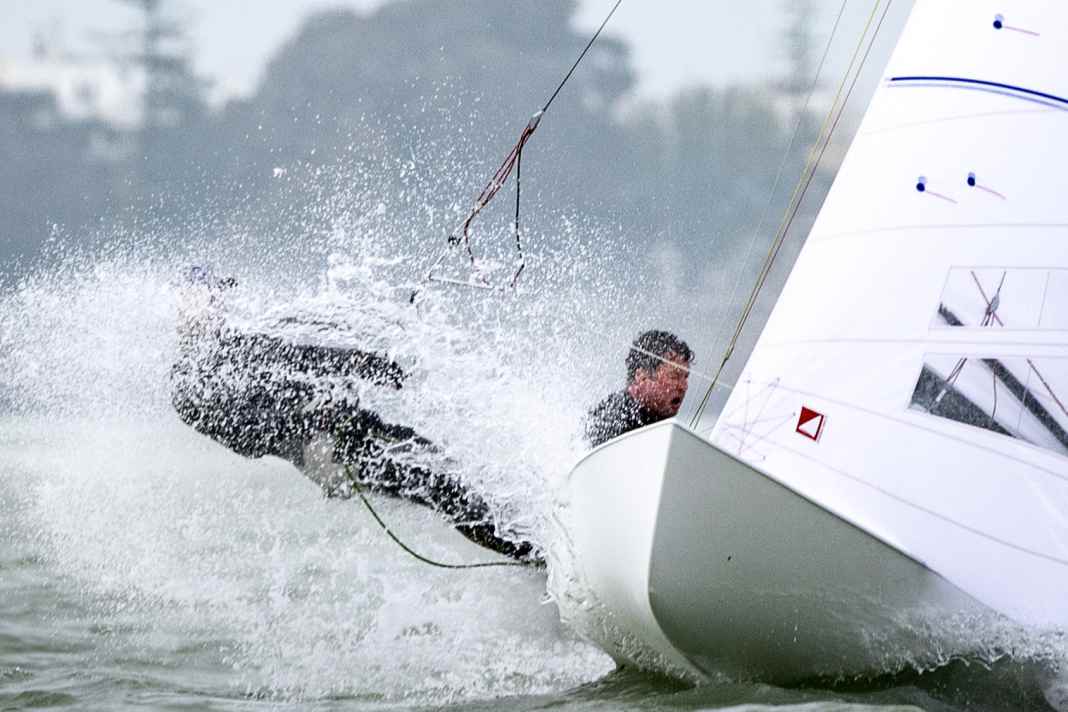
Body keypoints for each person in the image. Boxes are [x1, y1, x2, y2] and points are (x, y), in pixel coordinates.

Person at [170, 267, 538, 563]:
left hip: (350, 425)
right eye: (206, 298)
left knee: (447, 462)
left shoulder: (240, 341)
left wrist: (369, 366)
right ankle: (531, 556)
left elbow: (305, 357)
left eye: (217, 296)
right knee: (439, 487)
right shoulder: (189, 381)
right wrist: (304, 417)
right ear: (185, 307)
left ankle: (528, 526)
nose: (216, 304)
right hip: (324, 452)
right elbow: (247, 439)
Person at [585, 330, 693, 448]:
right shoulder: (614, 416)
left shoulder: (660, 422)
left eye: (685, 377)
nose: (683, 386)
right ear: (642, 376)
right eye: (674, 376)